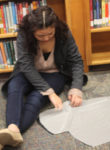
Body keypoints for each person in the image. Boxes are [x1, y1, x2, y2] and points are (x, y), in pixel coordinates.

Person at [0, 5, 87, 149]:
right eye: (41, 35)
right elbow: (26, 65)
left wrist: (76, 88)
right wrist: (50, 92)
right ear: (31, 31)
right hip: (27, 71)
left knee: (36, 98)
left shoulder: (64, 32)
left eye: (50, 34)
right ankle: (13, 129)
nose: (46, 38)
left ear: (55, 28)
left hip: (55, 73)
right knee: (14, 88)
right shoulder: (23, 33)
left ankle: (12, 133)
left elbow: (76, 60)